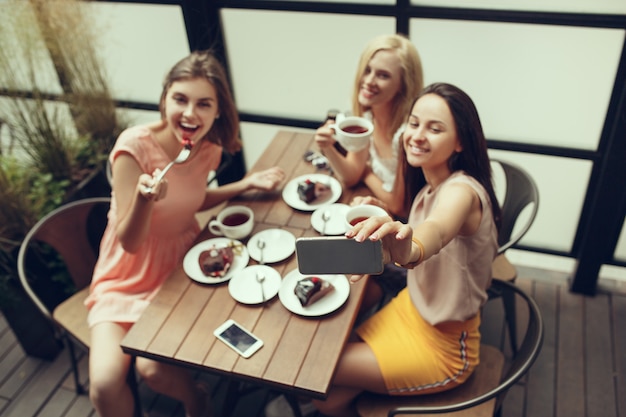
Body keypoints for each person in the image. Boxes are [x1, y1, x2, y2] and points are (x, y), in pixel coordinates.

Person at [84, 50, 285, 417]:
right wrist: (145, 201)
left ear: (218, 111)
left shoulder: (208, 149)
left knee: (154, 369)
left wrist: (244, 183)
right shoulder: (133, 148)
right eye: (180, 99)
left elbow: (191, 198)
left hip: (183, 264)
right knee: (104, 384)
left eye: (203, 104)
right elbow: (129, 241)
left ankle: (197, 400)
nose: (190, 113)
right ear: (164, 99)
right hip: (124, 276)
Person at [309, 82, 503, 417]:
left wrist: (408, 250)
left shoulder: (461, 192)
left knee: (320, 368)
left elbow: (436, 231)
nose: (417, 135)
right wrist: (383, 215)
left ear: (459, 141)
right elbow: (425, 226)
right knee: (326, 397)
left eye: (435, 128)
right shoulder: (431, 184)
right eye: (413, 124)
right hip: (410, 309)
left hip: (445, 348)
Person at [314, 33, 424, 217]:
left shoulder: (407, 133)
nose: (368, 81)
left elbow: (399, 207)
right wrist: (327, 147)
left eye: (383, 75)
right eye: (367, 70)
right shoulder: (368, 117)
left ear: (403, 85)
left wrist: (366, 172)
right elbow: (350, 177)